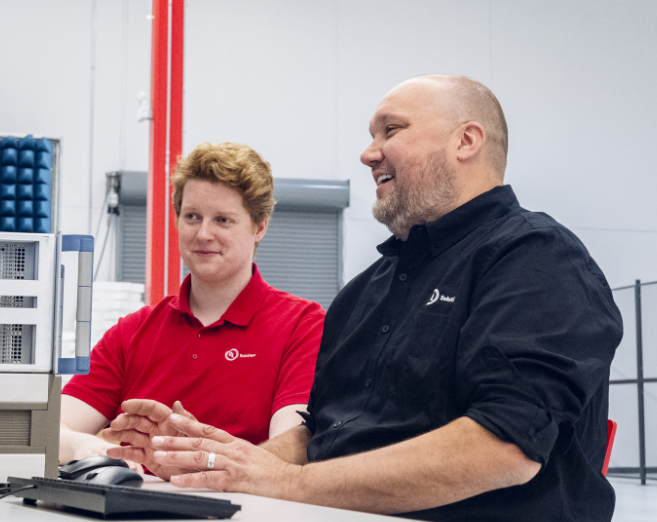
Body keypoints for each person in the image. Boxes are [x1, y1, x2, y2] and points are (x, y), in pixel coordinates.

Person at [104, 75, 622, 522]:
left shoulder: (534, 258)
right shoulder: (364, 292)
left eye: (390, 130)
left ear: (466, 141)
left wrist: (286, 484)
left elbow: (505, 446)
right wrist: (219, 460)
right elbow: (322, 432)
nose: (368, 153)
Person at [59, 142, 325, 473]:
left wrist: (193, 460)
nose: (203, 234)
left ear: (259, 227)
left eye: (223, 220)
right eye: (192, 217)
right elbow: (51, 430)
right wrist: (93, 449)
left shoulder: (302, 325)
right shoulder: (130, 333)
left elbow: (290, 450)